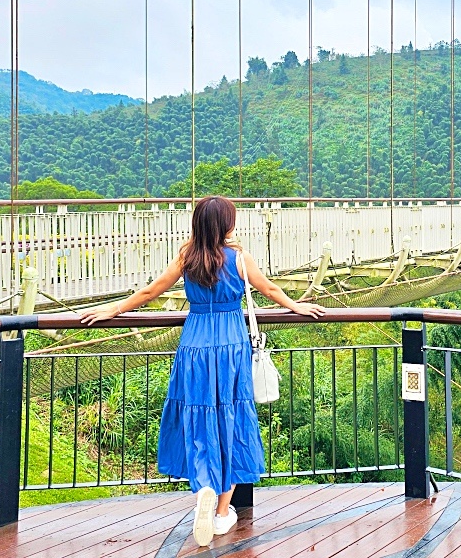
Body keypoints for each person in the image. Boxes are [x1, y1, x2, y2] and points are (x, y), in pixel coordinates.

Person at [80, 195, 326, 546]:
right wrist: (296, 306)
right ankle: (223, 511)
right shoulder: (238, 257)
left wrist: (113, 311)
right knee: (230, 418)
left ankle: (205, 485)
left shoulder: (186, 256)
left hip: (194, 343)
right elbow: (269, 289)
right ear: (226, 224)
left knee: (199, 417)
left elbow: (151, 291)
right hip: (229, 345)